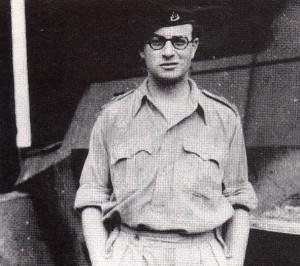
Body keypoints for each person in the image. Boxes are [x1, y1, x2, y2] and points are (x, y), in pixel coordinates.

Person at [74, 3, 258, 265]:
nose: (169, 52)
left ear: (193, 47)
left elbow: (240, 199)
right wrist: (102, 261)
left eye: (179, 42)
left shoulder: (223, 118)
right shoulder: (113, 117)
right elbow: (91, 196)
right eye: (157, 42)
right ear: (142, 50)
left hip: (203, 253)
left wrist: (233, 261)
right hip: (132, 253)